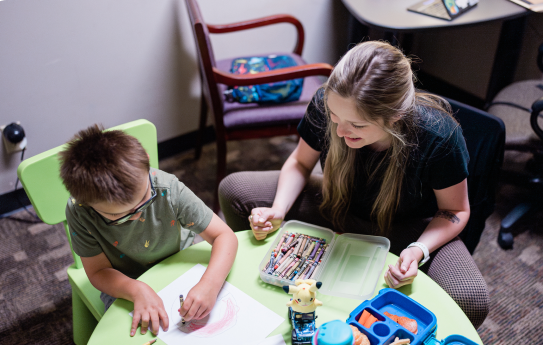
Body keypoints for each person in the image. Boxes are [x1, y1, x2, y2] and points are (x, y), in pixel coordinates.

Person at [219, 41, 489, 327]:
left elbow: (455, 211)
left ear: (395, 116)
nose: (339, 130)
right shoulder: (326, 102)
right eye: (335, 117)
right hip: (338, 202)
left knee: (470, 299)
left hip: (407, 227)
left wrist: (418, 249)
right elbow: (300, 162)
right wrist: (278, 208)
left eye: (357, 125)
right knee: (235, 190)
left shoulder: (439, 135)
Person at [60, 125, 238, 337]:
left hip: (176, 263)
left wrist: (210, 284)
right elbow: (98, 273)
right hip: (123, 283)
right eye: (118, 216)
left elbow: (225, 236)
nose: (137, 215)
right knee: (135, 335)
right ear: (86, 203)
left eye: (145, 198)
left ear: (147, 161)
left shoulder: (168, 188)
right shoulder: (80, 211)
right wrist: (137, 290)